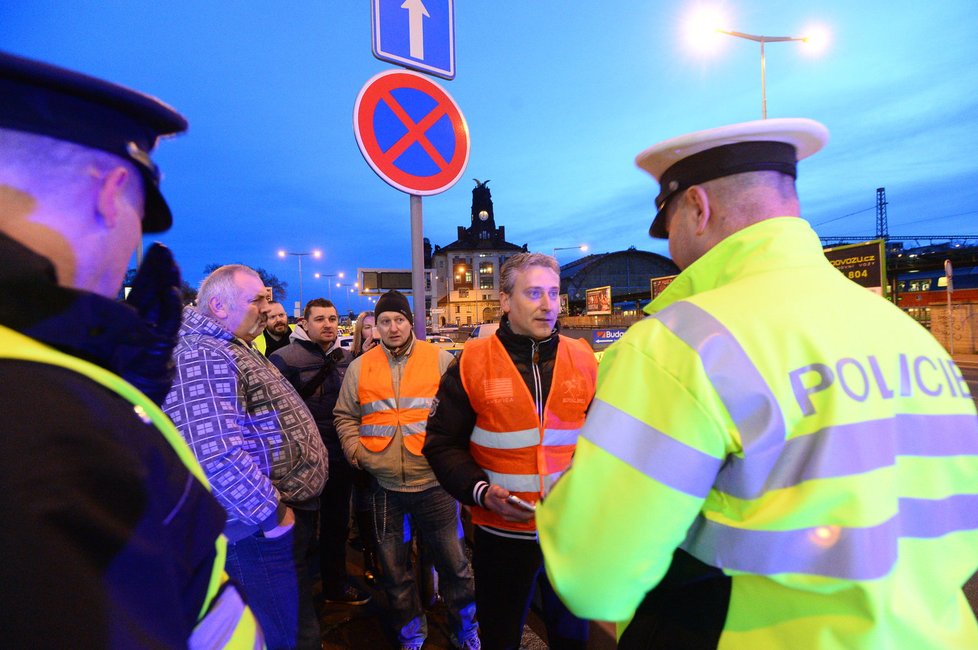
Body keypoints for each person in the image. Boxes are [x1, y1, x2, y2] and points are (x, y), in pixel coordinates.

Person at [536, 118, 978, 649]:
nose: (672, 251)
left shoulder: (683, 343)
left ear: (697, 208)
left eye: (669, 226)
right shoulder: (909, 337)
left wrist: (569, 503)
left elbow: (594, 579)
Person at [0, 51, 260, 647]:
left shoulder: (43, 381)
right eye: (139, 220)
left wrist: (108, 385)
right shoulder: (45, 423)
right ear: (110, 190)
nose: (132, 246)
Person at [425, 252, 597, 650]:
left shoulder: (583, 358)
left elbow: (603, 440)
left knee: (573, 636)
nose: (547, 304)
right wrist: (481, 492)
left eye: (554, 293)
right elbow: (441, 444)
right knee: (501, 636)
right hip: (501, 536)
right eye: (533, 292)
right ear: (505, 301)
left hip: (570, 532)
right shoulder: (472, 362)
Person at [164, 264, 328, 650]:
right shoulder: (202, 354)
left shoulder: (226, 343)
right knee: (285, 635)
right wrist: (273, 516)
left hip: (265, 525)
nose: (267, 307)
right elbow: (213, 453)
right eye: (257, 300)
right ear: (219, 306)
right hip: (255, 531)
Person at [334, 290, 480, 650]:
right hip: (384, 487)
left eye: (399, 319)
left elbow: (463, 415)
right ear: (376, 327)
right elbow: (345, 416)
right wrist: (357, 453)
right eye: (385, 321)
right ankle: (411, 635)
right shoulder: (360, 366)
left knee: (456, 568)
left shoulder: (440, 359)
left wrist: (455, 462)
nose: (393, 327)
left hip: (433, 483)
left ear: (409, 321)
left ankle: (466, 630)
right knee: (394, 572)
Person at [270, 298, 371, 606]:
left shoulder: (347, 359)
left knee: (336, 525)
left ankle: (335, 587)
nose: (328, 324)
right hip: (301, 461)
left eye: (332, 318)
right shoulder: (283, 359)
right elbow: (274, 413)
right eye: (320, 319)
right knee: (300, 533)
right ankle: (297, 600)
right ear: (304, 324)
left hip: (339, 456)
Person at [349, 309, 383, 584]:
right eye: (369, 326)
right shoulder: (352, 363)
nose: (376, 332)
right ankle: (371, 553)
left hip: (388, 447)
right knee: (364, 501)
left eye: (378, 325)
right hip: (362, 445)